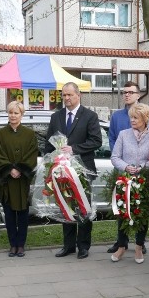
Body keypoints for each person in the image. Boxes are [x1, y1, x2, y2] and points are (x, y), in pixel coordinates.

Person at [46, 82, 102, 260]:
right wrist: (53, 156)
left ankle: (83, 246)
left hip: (82, 170)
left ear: (79, 95)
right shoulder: (56, 116)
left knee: (83, 209)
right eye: (64, 95)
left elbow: (96, 141)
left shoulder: (90, 116)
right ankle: (68, 246)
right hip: (62, 170)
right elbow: (49, 141)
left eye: (69, 95)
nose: (66, 98)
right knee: (66, 206)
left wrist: (74, 149)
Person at [107, 80, 149, 254]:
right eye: (124, 92)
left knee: (140, 208)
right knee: (122, 207)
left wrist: (141, 166)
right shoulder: (117, 116)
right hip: (123, 171)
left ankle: (140, 244)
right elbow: (112, 139)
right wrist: (123, 163)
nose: (126, 94)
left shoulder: (148, 115)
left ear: (138, 94)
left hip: (142, 174)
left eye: (130, 92)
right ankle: (121, 242)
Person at [0, 100, 39, 258]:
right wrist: (9, 169)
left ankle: (21, 245)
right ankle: (13, 244)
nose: (13, 116)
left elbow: (32, 155)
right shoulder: (0, 134)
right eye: (11, 112)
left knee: (23, 215)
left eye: (16, 113)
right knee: (9, 214)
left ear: (21, 115)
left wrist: (19, 169)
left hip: (22, 181)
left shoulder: (29, 134)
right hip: (7, 181)